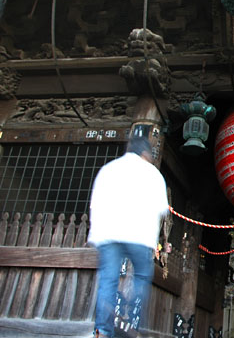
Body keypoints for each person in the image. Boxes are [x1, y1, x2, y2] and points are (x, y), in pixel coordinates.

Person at [88, 136, 170, 338]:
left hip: (108, 234)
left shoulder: (108, 169)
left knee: (108, 280)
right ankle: (132, 323)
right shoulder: (153, 174)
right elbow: (162, 210)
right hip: (139, 235)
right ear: (145, 154)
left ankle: (102, 331)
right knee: (141, 277)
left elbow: (94, 203)